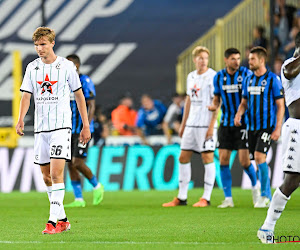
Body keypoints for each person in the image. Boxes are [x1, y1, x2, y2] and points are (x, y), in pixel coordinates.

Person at [16, 27, 91, 234]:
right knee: (46, 176)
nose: (39, 49)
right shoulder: (32, 68)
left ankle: (52, 221)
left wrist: (86, 125)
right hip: (41, 129)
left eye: (43, 44)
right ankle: (64, 219)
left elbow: (79, 96)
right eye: (37, 45)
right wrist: (21, 119)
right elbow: (26, 96)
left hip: (61, 127)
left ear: (52, 43)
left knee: (57, 173)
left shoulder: (66, 66)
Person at [257, 32, 300, 244]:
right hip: (297, 129)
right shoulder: (288, 65)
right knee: (292, 180)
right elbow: (291, 73)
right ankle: (267, 227)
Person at [162, 46, 217, 207]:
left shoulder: (212, 76)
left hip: (206, 124)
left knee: (207, 157)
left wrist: (212, 126)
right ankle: (182, 197)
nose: (203, 61)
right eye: (200, 58)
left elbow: (217, 102)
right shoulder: (191, 76)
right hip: (191, 124)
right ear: (195, 60)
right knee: (183, 157)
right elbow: (188, 101)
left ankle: (206, 198)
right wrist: (183, 124)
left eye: (206, 58)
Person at [208, 48, 259, 208]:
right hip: (225, 124)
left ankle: (256, 187)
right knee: (223, 160)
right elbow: (217, 99)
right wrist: (213, 106)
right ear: (226, 60)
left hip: (243, 124)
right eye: (233, 59)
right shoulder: (219, 77)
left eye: (238, 58)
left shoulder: (246, 74)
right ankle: (228, 198)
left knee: (244, 161)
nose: (236, 61)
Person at [234, 46, 285, 208]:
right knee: (255, 160)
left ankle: (265, 195)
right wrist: (238, 114)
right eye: (249, 59)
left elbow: (280, 105)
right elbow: (244, 102)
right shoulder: (248, 80)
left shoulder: (272, 79)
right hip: (251, 127)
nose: (249, 62)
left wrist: (277, 128)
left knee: (259, 157)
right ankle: (262, 191)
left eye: (252, 59)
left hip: (266, 126)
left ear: (262, 60)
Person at [64, 54, 104, 208]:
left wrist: (86, 125)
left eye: (71, 65)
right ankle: (79, 199)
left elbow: (91, 105)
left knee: (77, 162)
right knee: (70, 164)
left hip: (82, 129)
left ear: (77, 66)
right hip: (67, 129)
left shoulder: (85, 81)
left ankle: (96, 185)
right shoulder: (63, 82)